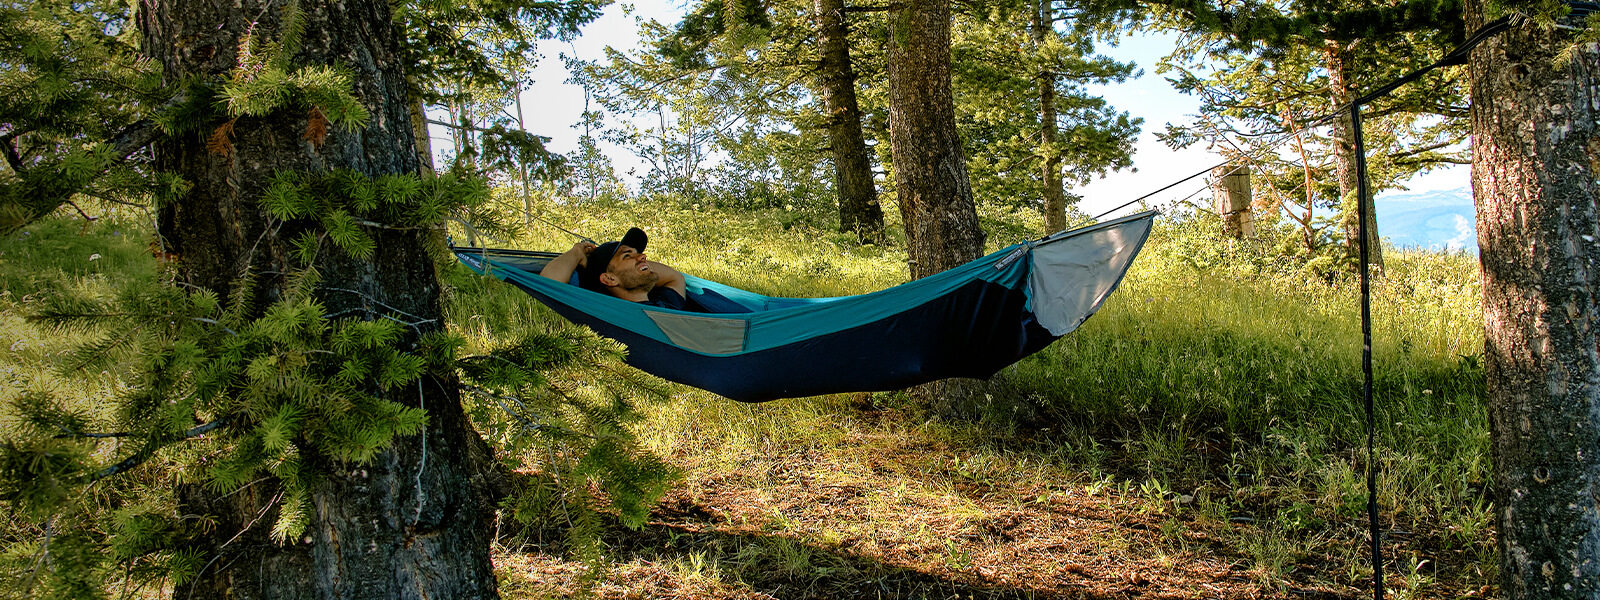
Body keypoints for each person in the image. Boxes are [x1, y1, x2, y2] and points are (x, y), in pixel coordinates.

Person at [539, 227, 692, 310]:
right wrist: (577, 252)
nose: (643, 257)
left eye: (638, 253)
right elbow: (547, 285)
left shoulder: (667, 304)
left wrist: (638, 264)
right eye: (626, 255)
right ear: (609, 279)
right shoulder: (612, 315)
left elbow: (674, 277)